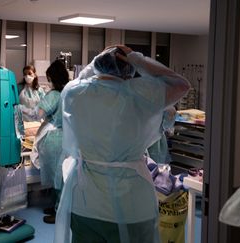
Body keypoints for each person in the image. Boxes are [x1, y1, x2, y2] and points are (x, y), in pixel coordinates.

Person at [55, 45, 190, 243]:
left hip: (85, 203)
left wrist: (95, 63)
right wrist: (137, 59)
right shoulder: (141, 94)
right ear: (128, 69)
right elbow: (180, 84)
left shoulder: (74, 93)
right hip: (132, 206)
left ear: (99, 65)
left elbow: (81, 79)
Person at [20, 60, 69, 224]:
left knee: (58, 177)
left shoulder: (54, 95)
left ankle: (59, 213)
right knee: (58, 176)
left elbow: (37, 114)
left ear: (53, 78)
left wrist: (19, 108)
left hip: (55, 139)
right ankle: (56, 206)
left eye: (49, 78)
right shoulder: (66, 93)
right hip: (63, 137)